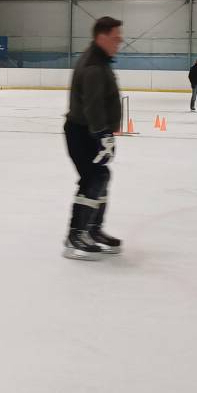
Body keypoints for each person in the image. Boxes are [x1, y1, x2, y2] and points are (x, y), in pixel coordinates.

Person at [62, 16, 124, 260]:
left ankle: (92, 229)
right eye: (116, 37)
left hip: (90, 132)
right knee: (93, 178)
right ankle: (75, 235)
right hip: (83, 133)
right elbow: (93, 105)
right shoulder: (93, 66)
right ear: (102, 37)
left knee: (101, 177)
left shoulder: (100, 61)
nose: (120, 41)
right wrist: (103, 135)